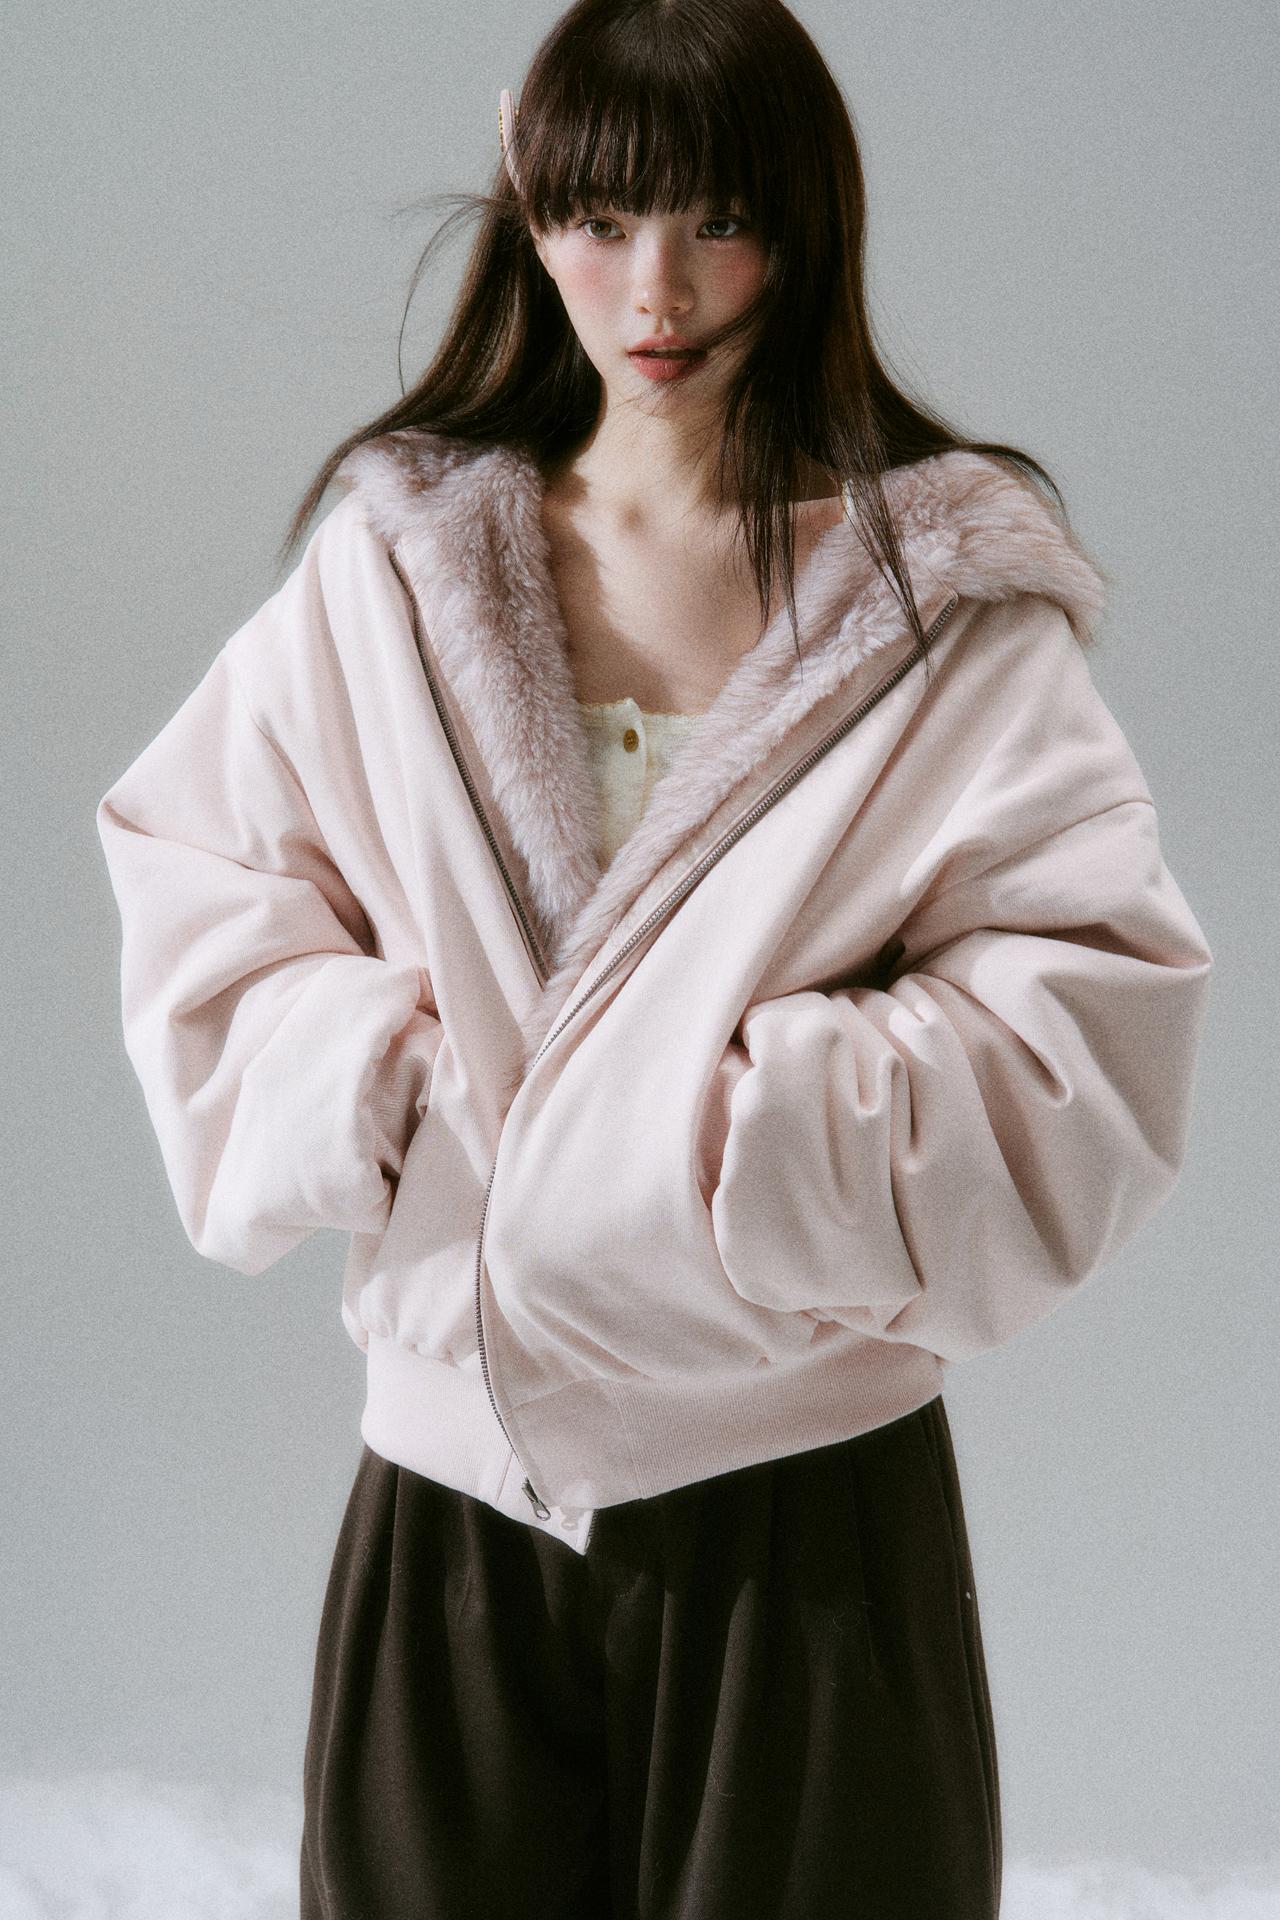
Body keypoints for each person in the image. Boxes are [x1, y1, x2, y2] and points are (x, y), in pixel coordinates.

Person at [95, 2, 1212, 1914]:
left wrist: (743, 1131)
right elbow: (205, 884)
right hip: (455, 1495)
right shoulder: (395, 576)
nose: (659, 291)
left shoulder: (938, 609)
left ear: (809, 223)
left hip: (809, 1504)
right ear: (525, 200)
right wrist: (389, 1079)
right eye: (602, 219)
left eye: (721, 220)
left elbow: (1090, 1008)